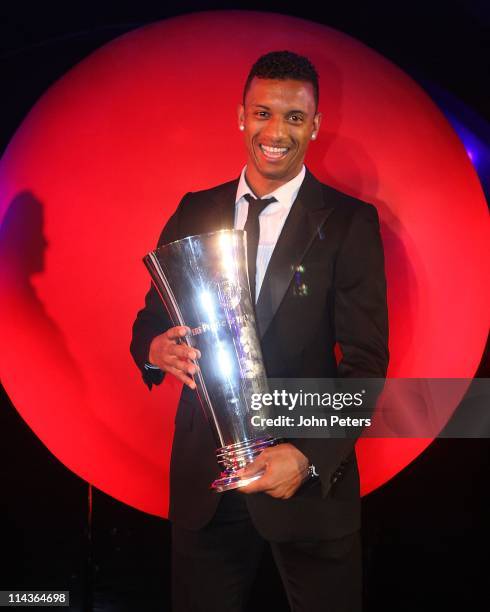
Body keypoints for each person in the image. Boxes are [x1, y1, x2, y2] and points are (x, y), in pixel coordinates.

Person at [130, 50, 389, 612]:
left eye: (294, 118)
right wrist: (153, 349)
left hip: (308, 486)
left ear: (315, 125)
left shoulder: (349, 222)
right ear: (241, 117)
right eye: (263, 113)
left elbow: (366, 365)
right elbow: (153, 316)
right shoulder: (194, 209)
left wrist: (307, 455)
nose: (276, 131)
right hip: (207, 483)